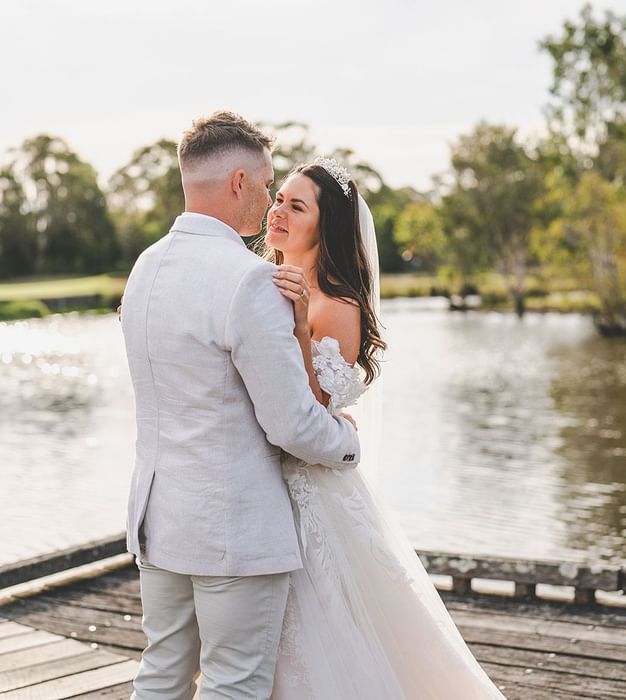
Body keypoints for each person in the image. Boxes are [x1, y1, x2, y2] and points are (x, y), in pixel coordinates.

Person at [119, 112, 361, 700]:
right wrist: (348, 440)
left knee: (162, 674)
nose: (267, 198)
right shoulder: (249, 279)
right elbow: (291, 426)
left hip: (157, 519)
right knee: (234, 685)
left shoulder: (145, 269)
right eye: (266, 182)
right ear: (237, 182)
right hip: (233, 530)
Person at [266, 158, 507, 699]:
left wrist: (301, 324)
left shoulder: (338, 304)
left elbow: (310, 407)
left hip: (311, 493)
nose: (277, 211)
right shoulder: (259, 280)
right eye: (279, 198)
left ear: (324, 227)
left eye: (296, 206)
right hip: (262, 485)